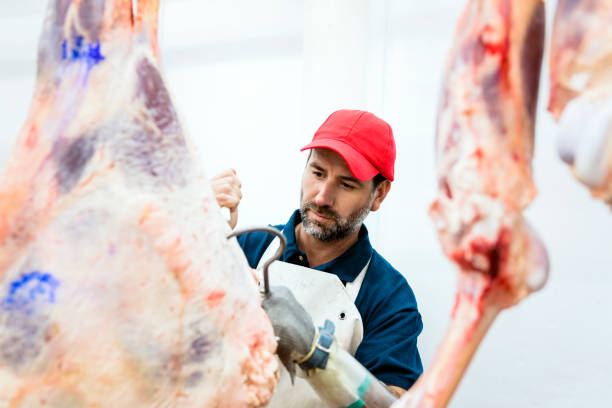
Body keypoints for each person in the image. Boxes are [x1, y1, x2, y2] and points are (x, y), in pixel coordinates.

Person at [213, 109, 423, 405]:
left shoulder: (390, 297)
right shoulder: (248, 246)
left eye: (346, 184)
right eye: (318, 173)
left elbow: (394, 403)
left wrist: (315, 350)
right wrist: (196, 222)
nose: (323, 196)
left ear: (379, 195)